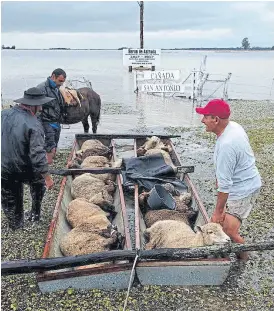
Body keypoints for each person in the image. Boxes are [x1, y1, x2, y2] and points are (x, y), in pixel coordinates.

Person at [195, 99, 261, 260]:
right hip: (242, 182)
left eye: (205, 117)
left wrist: (218, 212)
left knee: (230, 232)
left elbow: (224, 185)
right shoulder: (233, 127)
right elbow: (224, 178)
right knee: (223, 224)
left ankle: (244, 261)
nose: (202, 120)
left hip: (244, 189)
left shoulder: (227, 144)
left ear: (216, 120)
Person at [1, 87, 54, 230]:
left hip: (4, 167)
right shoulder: (33, 123)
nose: (42, 108)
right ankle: (35, 214)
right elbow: (37, 155)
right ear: (33, 106)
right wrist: (47, 177)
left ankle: (15, 225)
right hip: (26, 168)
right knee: (38, 184)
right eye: (40, 105)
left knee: (10, 198)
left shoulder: (3, 114)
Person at [36, 68, 66, 164]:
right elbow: (36, 107)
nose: (61, 84)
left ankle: (50, 161)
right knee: (49, 143)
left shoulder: (56, 89)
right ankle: (47, 165)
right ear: (53, 76)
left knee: (55, 142)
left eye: (63, 82)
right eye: (60, 81)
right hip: (46, 121)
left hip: (56, 121)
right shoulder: (41, 88)